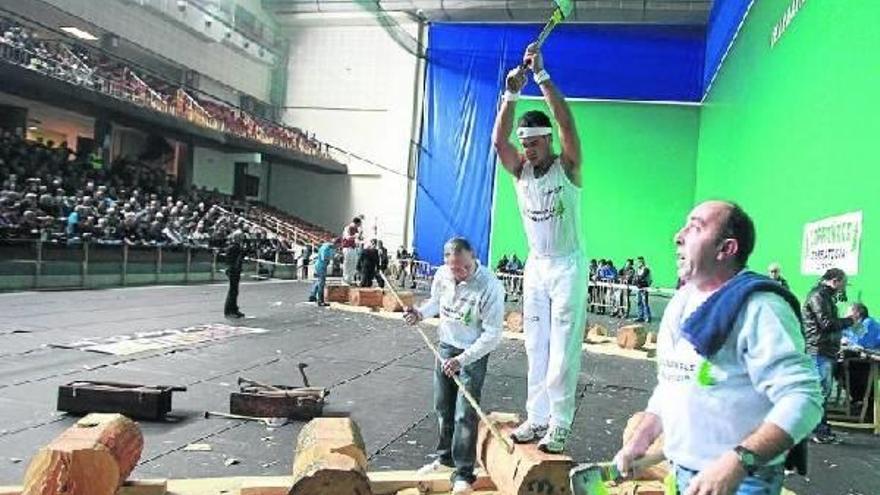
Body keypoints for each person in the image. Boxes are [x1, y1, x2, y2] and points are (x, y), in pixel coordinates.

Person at [615, 200, 823, 495]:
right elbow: (673, 383)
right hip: (685, 473)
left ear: (726, 249)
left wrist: (737, 462)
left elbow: (803, 399)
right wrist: (641, 440)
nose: (678, 235)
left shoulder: (762, 307)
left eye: (695, 227)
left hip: (742, 481)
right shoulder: (681, 302)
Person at [492, 42, 586, 453]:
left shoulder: (568, 167)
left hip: (568, 265)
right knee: (535, 344)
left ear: (547, 140)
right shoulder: (520, 171)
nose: (528, 149)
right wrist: (512, 91)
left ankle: (561, 422)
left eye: (534, 143)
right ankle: (538, 417)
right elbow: (498, 142)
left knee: (563, 347)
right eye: (524, 143)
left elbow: (568, 124)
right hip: (537, 266)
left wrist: (542, 76)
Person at [404, 237, 504, 495]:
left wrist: (463, 360)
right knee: (443, 405)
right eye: (454, 268)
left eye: (465, 268)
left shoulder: (489, 285)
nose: (460, 274)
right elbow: (436, 302)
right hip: (446, 345)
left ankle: (463, 474)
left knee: (465, 413)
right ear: (446, 262)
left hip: (473, 352)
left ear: (474, 258)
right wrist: (420, 313)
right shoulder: (443, 275)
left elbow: (492, 335)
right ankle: (445, 458)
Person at [803, 267, 854, 443]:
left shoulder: (824, 296)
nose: (843, 288)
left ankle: (817, 429)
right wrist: (849, 320)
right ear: (835, 280)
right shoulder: (819, 296)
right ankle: (820, 431)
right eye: (843, 284)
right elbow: (826, 323)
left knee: (818, 393)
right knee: (819, 394)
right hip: (819, 350)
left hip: (823, 350)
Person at [309, 237, 341, 307]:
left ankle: (312, 295)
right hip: (321, 265)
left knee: (319, 281)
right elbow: (324, 258)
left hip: (322, 265)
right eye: (338, 245)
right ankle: (320, 300)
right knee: (321, 283)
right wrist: (334, 257)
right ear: (336, 243)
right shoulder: (326, 248)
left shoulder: (330, 247)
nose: (338, 247)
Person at [223, 230, 246, 318]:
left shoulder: (235, 247)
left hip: (234, 269)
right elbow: (233, 260)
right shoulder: (233, 247)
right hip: (233, 270)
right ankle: (229, 310)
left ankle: (234, 309)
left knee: (234, 291)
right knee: (233, 291)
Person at [340, 217, 362, 285]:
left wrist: (359, 238)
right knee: (347, 263)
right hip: (347, 247)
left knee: (353, 263)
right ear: (356, 223)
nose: (359, 226)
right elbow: (347, 237)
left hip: (353, 248)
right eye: (359, 224)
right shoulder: (348, 228)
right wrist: (355, 236)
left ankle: (349, 279)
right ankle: (345, 280)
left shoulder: (356, 229)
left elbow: (357, 240)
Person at [634, 256, 653, 323]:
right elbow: (635, 279)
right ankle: (640, 317)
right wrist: (637, 281)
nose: (638, 263)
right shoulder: (637, 269)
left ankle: (648, 317)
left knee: (645, 303)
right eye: (638, 262)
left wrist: (637, 280)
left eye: (640, 262)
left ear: (642, 262)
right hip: (639, 287)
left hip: (645, 288)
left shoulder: (646, 269)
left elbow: (642, 277)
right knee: (639, 302)